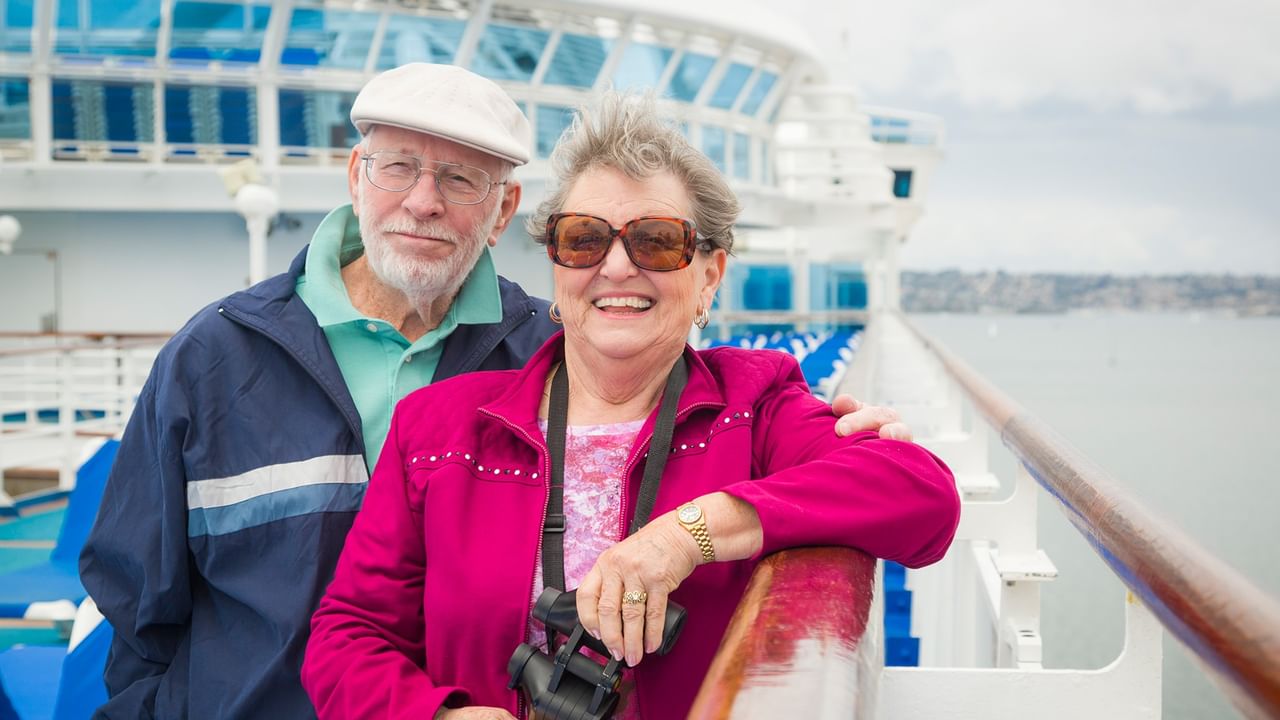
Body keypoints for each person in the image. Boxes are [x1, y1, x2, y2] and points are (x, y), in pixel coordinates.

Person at [79, 65, 908, 719]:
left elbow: (903, 487)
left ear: (505, 208)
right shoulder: (216, 356)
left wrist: (707, 522)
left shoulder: (546, 349)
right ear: (356, 175)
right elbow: (136, 608)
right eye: (397, 167)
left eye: (461, 180)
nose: (423, 201)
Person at [302, 93, 961, 720]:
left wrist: (687, 535)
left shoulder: (752, 405)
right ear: (557, 266)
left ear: (708, 277)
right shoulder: (439, 428)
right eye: (584, 238)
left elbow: (922, 494)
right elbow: (347, 637)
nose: (617, 267)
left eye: (657, 241)